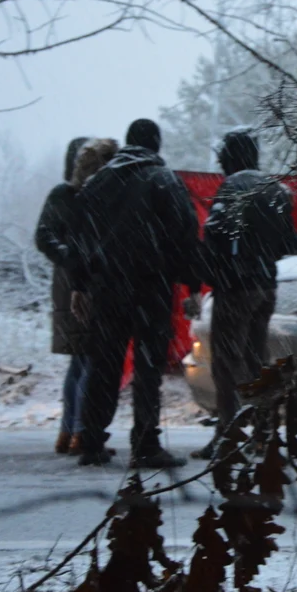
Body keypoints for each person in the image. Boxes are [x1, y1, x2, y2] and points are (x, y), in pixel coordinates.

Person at [69, 118, 203, 467]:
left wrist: (80, 285)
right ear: (156, 145)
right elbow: (185, 235)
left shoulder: (99, 182)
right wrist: (190, 286)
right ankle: (145, 443)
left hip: (108, 288)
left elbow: (79, 237)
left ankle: (92, 440)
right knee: (148, 368)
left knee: (105, 364)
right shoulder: (163, 180)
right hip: (151, 287)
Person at [191, 131, 297, 459]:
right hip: (266, 287)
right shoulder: (275, 189)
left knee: (226, 366)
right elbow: (290, 243)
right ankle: (264, 434)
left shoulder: (233, 187)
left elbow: (215, 235)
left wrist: (205, 275)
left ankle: (228, 438)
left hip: (235, 288)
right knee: (257, 364)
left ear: (230, 158)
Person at [35, 137, 90, 454]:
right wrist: (73, 257)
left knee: (79, 359)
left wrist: (64, 256)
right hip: (83, 284)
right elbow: (45, 236)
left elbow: (44, 236)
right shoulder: (86, 196)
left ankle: (68, 430)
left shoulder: (61, 195)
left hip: (64, 283)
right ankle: (80, 430)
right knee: (89, 359)